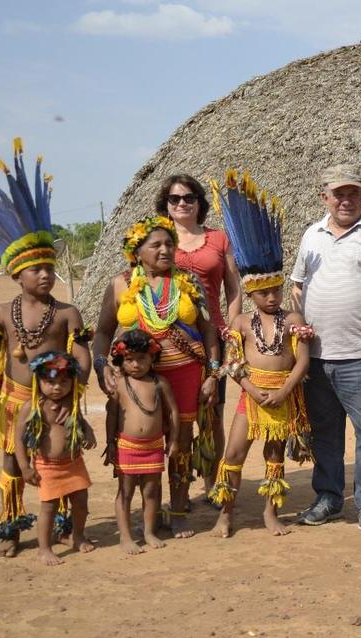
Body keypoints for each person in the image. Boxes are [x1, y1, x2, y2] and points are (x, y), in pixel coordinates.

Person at [0, 138, 91, 558]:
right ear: (17, 273)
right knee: (14, 464)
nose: (46, 276)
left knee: (64, 460)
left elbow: (82, 353)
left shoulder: (68, 313)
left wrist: (80, 383)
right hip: (15, 401)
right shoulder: (1, 313)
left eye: (50, 268)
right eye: (36, 269)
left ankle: (64, 526)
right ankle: (13, 528)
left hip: (58, 399)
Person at [291, 164, 361, 532]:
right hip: (318, 357)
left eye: (353, 193)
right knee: (325, 432)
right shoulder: (311, 235)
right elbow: (297, 287)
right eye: (338, 193)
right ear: (325, 197)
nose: (345, 200)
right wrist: (299, 331)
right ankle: (328, 498)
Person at [92, 215, 220, 539]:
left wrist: (213, 376)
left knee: (180, 444)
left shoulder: (188, 281)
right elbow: (104, 332)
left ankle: (177, 512)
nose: (165, 250)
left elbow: (209, 331)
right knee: (140, 440)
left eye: (169, 244)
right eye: (156, 245)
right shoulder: (120, 284)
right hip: (135, 379)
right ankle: (147, 514)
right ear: (137, 250)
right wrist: (101, 366)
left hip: (186, 374)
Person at [208, 169, 312, 537]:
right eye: (263, 293)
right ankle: (226, 514)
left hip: (283, 395)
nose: (272, 298)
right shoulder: (238, 322)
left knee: (274, 457)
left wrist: (284, 391)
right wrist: (252, 390)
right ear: (250, 294)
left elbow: (302, 360)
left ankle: (271, 514)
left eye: (276, 291)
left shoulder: (294, 318)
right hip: (251, 397)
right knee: (233, 455)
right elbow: (232, 363)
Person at [158, 174, 241, 497]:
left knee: (211, 410)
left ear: (199, 203)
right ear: (166, 204)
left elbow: (233, 286)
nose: (182, 204)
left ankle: (211, 482)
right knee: (170, 414)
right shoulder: (159, 238)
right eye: (175, 199)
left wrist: (232, 328)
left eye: (189, 198)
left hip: (211, 338)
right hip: (167, 337)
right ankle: (176, 488)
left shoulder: (219, 238)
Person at [14, 352, 97, 566]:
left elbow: (80, 421)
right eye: (50, 382)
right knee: (48, 507)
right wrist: (24, 466)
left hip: (73, 462)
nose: (57, 387)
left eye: (63, 382)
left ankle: (77, 535)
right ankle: (44, 548)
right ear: (38, 381)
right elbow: (19, 439)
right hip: (47, 466)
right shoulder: (32, 407)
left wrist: (88, 432)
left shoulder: (73, 404)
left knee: (80, 502)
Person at [105, 329, 180, 555]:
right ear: (121, 360)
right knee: (125, 492)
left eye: (142, 358)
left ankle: (148, 532)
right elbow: (112, 416)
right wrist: (110, 444)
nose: (136, 364)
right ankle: (126, 536)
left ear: (152, 357)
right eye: (129, 360)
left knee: (151, 491)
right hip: (127, 446)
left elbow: (173, 412)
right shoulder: (120, 385)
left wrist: (174, 440)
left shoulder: (160, 383)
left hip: (154, 447)